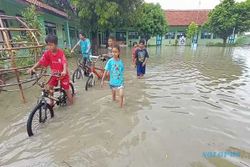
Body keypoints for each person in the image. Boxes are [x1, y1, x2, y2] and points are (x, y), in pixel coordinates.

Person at [27, 35, 73, 105]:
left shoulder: (60, 52)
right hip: (54, 74)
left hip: (63, 74)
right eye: (48, 45)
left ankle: (72, 103)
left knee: (66, 89)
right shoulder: (47, 53)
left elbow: (64, 62)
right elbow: (41, 62)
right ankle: (51, 103)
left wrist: (64, 71)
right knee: (50, 87)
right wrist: (33, 68)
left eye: (51, 45)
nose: (49, 47)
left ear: (56, 44)